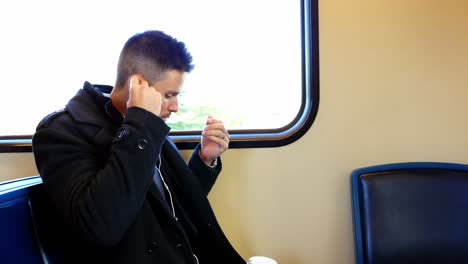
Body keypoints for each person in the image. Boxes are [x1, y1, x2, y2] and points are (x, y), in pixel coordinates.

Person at [32, 30, 245, 264]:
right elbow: (102, 226)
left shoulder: (147, 126)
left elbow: (170, 206)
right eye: (169, 95)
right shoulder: (62, 133)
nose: (175, 106)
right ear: (138, 84)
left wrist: (204, 159)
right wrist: (140, 123)